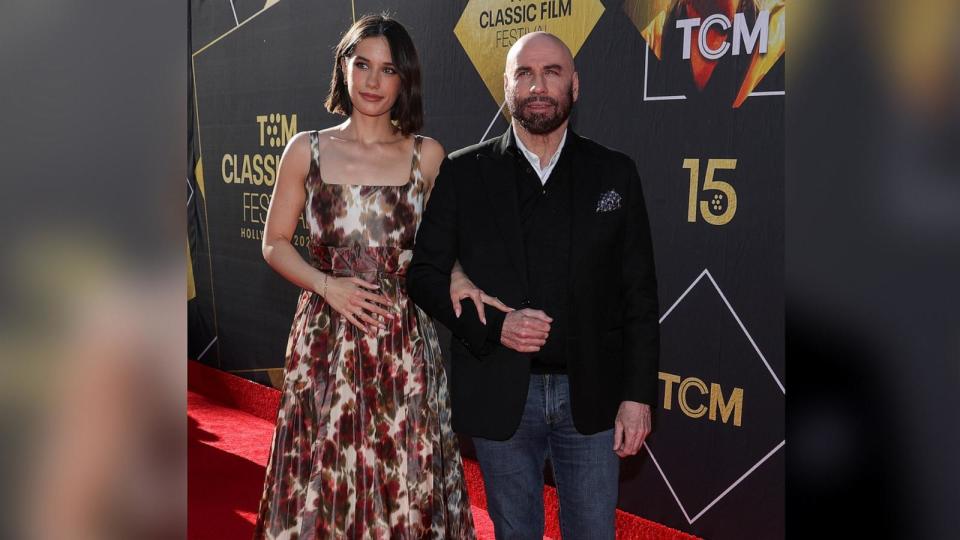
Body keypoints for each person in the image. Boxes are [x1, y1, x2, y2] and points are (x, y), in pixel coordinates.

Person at [408, 32, 660, 539]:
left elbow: (640, 294)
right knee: (515, 532)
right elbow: (424, 275)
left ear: (575, 85)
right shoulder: (463, 172)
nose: (538, 85)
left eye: (552, 72)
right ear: (506, 87)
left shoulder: (615, 173)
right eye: (523, 73)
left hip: (591, 396)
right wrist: (497, 328)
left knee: (592, 530)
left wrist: (637, 396)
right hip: (501, 394)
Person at [253, 14, 475, 539]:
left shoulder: (427, 156)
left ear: (405, 79)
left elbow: (445, 250)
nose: (374, 82)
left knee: (406, 466)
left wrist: (459, 277)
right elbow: (274, 242)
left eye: (388, 69)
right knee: (322, 465)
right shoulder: (306, 149)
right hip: (324, 336)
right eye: (362, 65)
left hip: (402, 339)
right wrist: (329, 287)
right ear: (344, 69)